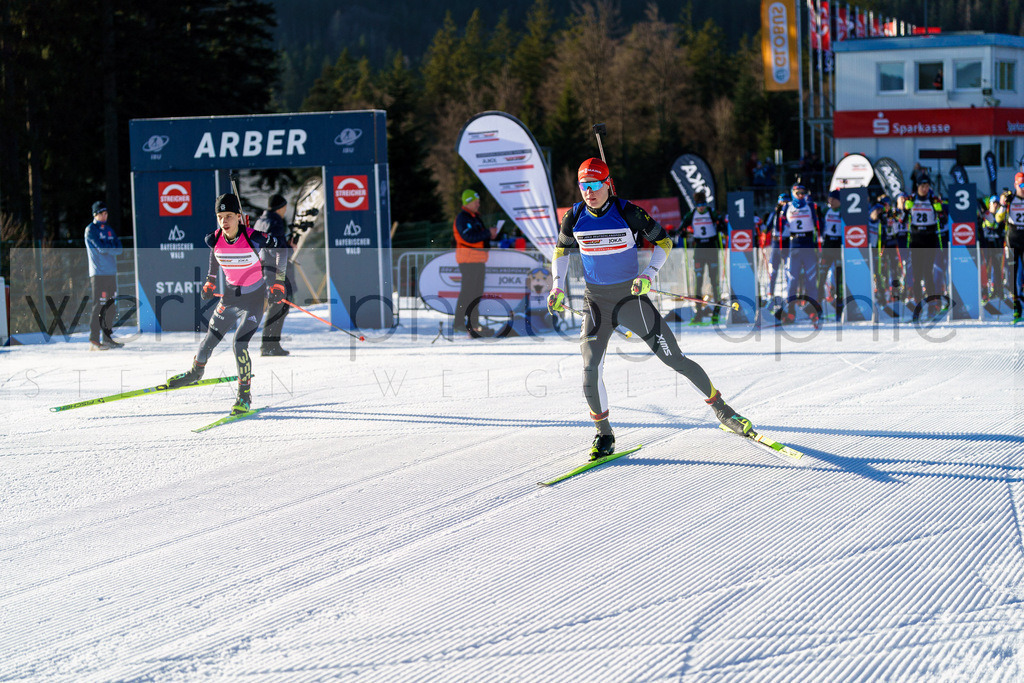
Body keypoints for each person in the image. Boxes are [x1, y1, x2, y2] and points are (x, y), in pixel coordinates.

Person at [547, 157, 753, 460]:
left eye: (594, 185)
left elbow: (665, 242)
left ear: (607, 184)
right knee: (590, 369)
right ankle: (604, 434)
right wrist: (557, 285)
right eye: (583, 186)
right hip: (596, 303)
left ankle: (724, 411)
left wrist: (648, 275)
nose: (588, 192)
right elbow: (562, 250)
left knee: (675, 359)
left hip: (632, 298)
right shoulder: (574, 216)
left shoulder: (628, 212)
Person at [167, 194, 288, 414]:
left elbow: (282, 248)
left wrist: (278, 283)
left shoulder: (253, 237)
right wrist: (210, 281)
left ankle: (244, 396)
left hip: (255, 298)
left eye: (229, 216)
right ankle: (196, 372)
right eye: (220, 216)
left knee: (239, 344)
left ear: (238, 217)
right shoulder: (213, 239)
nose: (224, 221)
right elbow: (215, 255)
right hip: (230, 297)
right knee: (208, 341)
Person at [452, 189, 499, 336]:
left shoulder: (475, 217)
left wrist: (493, 236)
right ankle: (458, 323)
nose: (479, 204)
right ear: (469, 202)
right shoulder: (462, 218)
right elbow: (469, 238)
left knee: (476, 293)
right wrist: (487, 233)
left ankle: (473, 323)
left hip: (478, 261)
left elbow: (480, 238)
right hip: (467, 261)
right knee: (467, 293)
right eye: (476, 201)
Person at [902, 175, 948, 319]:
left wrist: (939, 210)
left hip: (929, 239)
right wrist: (905, 208)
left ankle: (932, 307)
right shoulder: (911, 199)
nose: (924, 188)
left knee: (928, 274)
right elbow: (903, 219)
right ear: (917, 186)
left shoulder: (933, 200)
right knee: (917, 276)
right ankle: (918, 308)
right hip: (916, 240)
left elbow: (943, 219)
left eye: (927, 186)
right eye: (922, 186)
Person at [256, 193, 294, 356]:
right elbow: (278, 249)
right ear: (282, 207)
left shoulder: (261, 220)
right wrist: (291, 248)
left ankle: (272, 344)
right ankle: (268, 345)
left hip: (265, 268)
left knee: (279, 305)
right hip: (276, 270)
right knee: (279, 306)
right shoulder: (276, 222)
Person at [778, 182, 822, 323]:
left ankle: (813, 311)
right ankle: (790, 312)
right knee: (792, 281)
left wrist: (820, 248)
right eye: (798, 193)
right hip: (794, 246)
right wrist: (782, 248)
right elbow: (779, 229)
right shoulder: (787, 207)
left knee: (811, 279)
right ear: (793, 193)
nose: (801, 196)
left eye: (803, 193)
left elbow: (818, 226)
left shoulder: (810, 206)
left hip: (808, 245)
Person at [679, 190, 726, 324]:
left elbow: (721, 222)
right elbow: (682, 227)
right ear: (696, 204)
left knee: (714, 281)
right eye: (699, 204)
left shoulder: (711, 212)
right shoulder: (692, 214)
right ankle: (698, 313)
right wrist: (682, 232)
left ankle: (716, 313)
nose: (701, 207)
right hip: (699, 249)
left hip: (711, 247)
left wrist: (721, 226)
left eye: (704, 204)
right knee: (698, 282)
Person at [84, 201, 124, 350]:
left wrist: (109, 248)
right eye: (102, 213)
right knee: (98, 305)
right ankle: (94, 338)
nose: (105, 215)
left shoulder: (108, 229)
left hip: (111, 273)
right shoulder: (90, 230)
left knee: (111, 306)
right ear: (95, 214)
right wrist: (109, 248)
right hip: (98, 274)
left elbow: (119, 249)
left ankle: (107, 338)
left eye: (106, 213)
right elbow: (101, 248)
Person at [818, 190, 844, 319]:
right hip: (827, 246)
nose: (831, 201)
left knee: (839, 278)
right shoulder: (825, 211)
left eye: (833, 199)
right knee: (821, 277)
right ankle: (818, 307)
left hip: (838, 246)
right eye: (829, 199)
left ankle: (840, 307)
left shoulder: (843, 211)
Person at [1004, 173, 1024, 322]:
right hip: (1012, 238)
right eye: (1021, 185)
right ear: (1015, 184)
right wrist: (1004, 203)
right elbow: (998, 217)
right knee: (1012, 272)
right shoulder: (1011, 199)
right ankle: (1016, 305)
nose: (1023, 188)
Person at [979, 196, 1005, 303]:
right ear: (989, 204)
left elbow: (999, 227)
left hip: (997, 245)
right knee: (985, 267)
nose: (995, 205)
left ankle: (997, 290)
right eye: (993, 203)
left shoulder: (1000, 216)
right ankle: (984, 291)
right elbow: (989, 225)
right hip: (986, 244)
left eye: (997, 203)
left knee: (997, 267)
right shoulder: (986, 215)